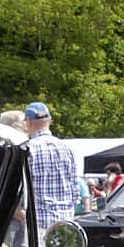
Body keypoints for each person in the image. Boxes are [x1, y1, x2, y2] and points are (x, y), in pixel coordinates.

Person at [22, 100, 82, 236]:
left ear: (29, 122)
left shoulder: (29, 149)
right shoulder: (68, 149)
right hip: (66, 224)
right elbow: (75, 191)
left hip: (40, 224)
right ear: (49, 121)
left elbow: (22, 189)